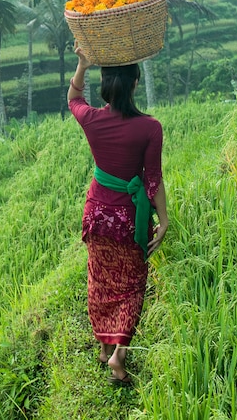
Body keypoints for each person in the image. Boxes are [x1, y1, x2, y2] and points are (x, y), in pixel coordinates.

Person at [67, 45, 168, 386]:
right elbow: (152, 179)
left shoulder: (92, 120)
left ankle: (102, 345)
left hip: (97, 215)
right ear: (136, 83)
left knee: (101, 280)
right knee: (132, 285)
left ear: (106, 86)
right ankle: (118, 356)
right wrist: (164, 221)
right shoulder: (150, 128)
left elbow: (73, 98)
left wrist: (82, 64)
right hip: (129, 220)